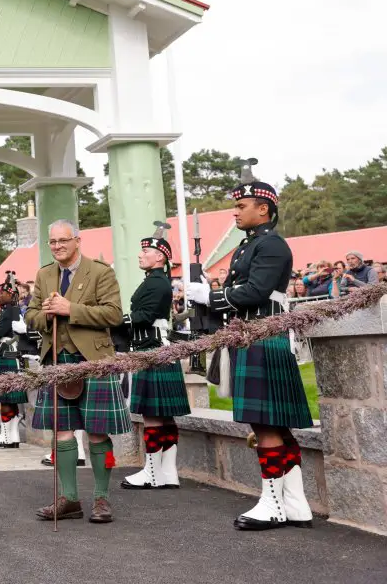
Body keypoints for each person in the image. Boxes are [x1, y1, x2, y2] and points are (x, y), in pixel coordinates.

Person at [186, 161, 313, 530]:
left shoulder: (271, 244)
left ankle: (272, 504)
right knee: (273, 426)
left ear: (264, 208)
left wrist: (211, 296)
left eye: (241, 206)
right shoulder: (251, 246)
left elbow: (256, 292)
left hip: (263, 334)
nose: (235, 211)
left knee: (267, 426)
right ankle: (296, 504)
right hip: (253, 336)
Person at [27, 219, 128, 524]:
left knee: (97, 432)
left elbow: (114, 314)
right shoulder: (44, 274)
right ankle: (70, 499)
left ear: (77, 241)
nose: (57, 246)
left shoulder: (101, 272)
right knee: (62, 432)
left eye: (63, 241)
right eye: (52, 242)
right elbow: (30, 315)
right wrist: (45, 314)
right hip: (57, 360)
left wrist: (70, 309)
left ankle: (101, 499)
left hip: (94, 360)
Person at [122, 222, 190, 491]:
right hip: (158, 348)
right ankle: (167, 471)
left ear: (160, 256)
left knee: (152, 414)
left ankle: (152, 472)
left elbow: (143, 317)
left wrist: (113, 320)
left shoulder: (156, 282)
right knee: (164, 415)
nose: (140, 255)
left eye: (145, 251)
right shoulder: (158, 280)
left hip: (151, 348)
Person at [0, 274, 29, 450]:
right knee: (8, 399)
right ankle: (11, 436)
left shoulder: (10, 310)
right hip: (9, 355)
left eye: (2, 293)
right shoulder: (11, 309)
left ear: (11, 295)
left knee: (6, 397)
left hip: (6, 354)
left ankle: (7, 437)